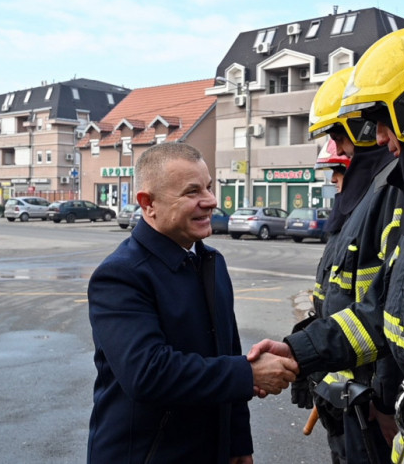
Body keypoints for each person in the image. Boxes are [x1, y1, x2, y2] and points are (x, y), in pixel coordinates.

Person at [250, 26, 404, 464]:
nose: (376, 139)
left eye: (381, 121)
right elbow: (380, 314)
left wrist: (381, 397)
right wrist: (299, 352)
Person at [87, 142, 298, 464]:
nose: (211, 201)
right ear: (148, 203)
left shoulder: (211, 261)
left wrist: (238, 442)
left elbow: (228, 351)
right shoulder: (121, 275)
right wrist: (247, 374)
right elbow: (147, 374)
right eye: (192, 192)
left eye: (209, 187)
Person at [293, 66, 402, 464]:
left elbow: (390, 309)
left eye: (339, 137)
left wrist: (385, 400)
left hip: (368, 402)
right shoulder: (358, 207)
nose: (335, 151)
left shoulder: (389, 196)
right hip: (345, 398)